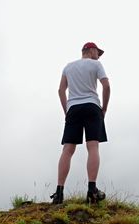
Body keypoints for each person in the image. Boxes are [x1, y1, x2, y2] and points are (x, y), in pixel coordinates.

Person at [50, 42, 111, 204]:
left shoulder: (68, 67)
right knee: (93, 147)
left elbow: (60, 90)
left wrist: (67, 110)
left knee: (68, 149)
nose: (98, 55)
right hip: (92, 106)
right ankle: (92, 190)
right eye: (98, 52)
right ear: (91, 51)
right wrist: (104, 108)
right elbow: (106, 86)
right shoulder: (96, 64)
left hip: (73, 109)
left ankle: (59, 193)